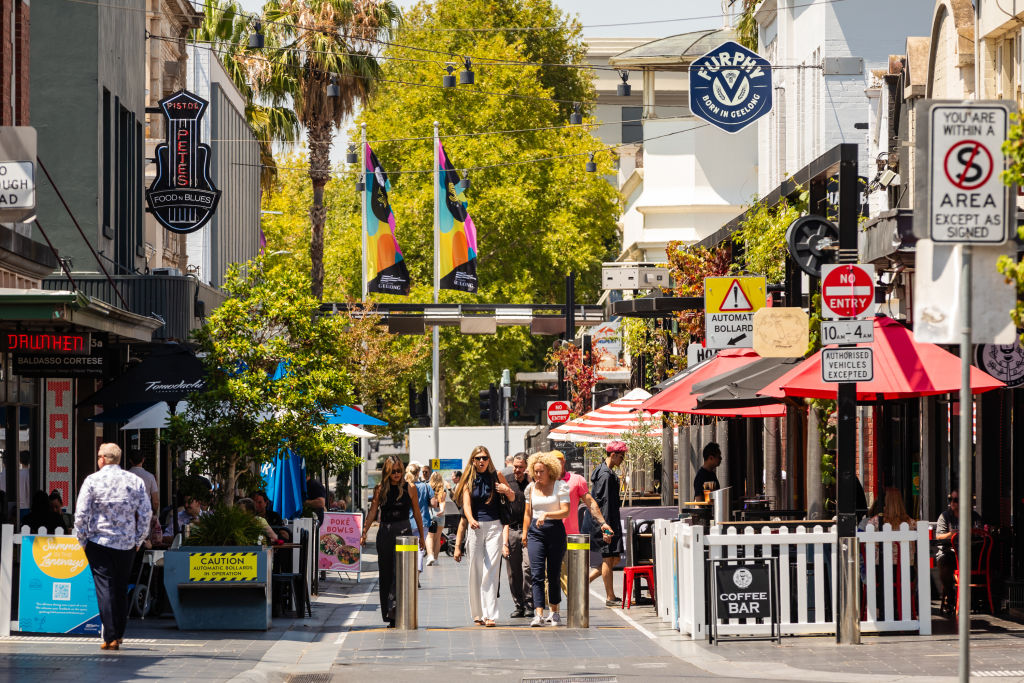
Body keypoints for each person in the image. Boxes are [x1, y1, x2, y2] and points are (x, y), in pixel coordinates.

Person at [73, 443, 151, 651]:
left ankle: (110, 636)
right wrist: (138, 539)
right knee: (120, 586)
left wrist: (82, 540)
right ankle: (119, 632)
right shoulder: (135, 481)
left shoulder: (92, 480)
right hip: (126, 544)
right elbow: (146, 513)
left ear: (102, 459)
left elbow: (81, 514)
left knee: (105, 587)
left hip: (99, 542)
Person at [360, 455, 425, 627]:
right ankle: (390, 615)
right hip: (385, 532)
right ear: (387, 472)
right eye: (393, 471)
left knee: (403, 574)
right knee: (387, 574)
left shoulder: (410, 487)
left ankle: (402, 612)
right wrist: (364, 531)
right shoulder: (380, 488)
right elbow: (373, 511)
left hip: (405, 531)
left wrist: (422, 537)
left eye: (399, 471)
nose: (397, 474)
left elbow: (417, 513)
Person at [454, 445, 513, 627]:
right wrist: (471, 519)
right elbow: (466, 505)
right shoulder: (468, 480)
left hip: (495, 526)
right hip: (476, 527)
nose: (482, 461)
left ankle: (490, 615)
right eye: (478, 458)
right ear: (473, 460)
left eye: (485, 458)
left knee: (491, 570)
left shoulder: (497, 476)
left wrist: (506, 490)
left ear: (489, 459)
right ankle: (477, 613)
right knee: (475, 570)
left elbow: (512, 497)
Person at [551, 450, 612, 597]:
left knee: (575, 577)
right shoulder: (544, 481)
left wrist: (603, 523)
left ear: (564, 461)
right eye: (552, 461)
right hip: (549, 535)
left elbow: (590, 502)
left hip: (573, 536)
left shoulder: (577, 480)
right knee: (550, 576)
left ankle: (576, 613)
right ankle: (552, 612)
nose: (556, 464)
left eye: (559, 460)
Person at [521, 451, 570, 627]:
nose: (538, 475)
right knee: (537, 574)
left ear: (550, 470)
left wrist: (548, 514)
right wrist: (525, 533)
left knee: (554, 573)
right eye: (535, 471)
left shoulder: (560, 486)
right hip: (536, 532)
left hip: (555, 531)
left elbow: (566, 511)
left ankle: (554, 612)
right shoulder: (531, 488)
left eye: (541, 471)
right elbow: (527, 513)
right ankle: (538, 613)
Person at [589, 441, 626, 606]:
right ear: (613, 455)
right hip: (607, 521)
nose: (623, 459)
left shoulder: (605, 471)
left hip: (609, 520)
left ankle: (584, 581)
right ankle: (610, 596)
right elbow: (604, 503)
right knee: (608, 559)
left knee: (614, 558)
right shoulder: (605, 475)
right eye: (621, 456)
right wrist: (606, 527)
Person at [500, 453, 533, 618]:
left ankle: (529, 604)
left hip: (529, 530)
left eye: (521, 467)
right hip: (511, 529)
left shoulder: (532, 482)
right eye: (515, 466)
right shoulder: (506, 481)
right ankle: (519, 605)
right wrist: (503, 541)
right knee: (513, 571)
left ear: (526, 467)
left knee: (528, 568)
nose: (517, 470)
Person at [406, 462, 435, 571]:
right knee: (419, 549)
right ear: (418, 473)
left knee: (408, 549)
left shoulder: (405, 487)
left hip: (407, 521)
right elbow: (434, 503)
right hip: (423, 521)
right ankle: (417, 574)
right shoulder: (426, 486)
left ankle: (409, 572)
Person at [126, 449, 159, 514]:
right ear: (143, 460)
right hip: (145, 513)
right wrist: (154, 513)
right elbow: (155, 501)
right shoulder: (150, 477)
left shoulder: (124, 477)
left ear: (130, 460)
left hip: (129, 514)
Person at [426, 471, 447, 565]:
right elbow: (442, 502)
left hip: (430, 514)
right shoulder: (443, 490)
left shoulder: (427, 488)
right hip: (440, 515)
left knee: (429, 536)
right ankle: (436, 559)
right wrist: (442, 510)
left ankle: (430, 556)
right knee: (437, 538)